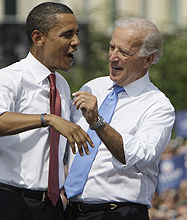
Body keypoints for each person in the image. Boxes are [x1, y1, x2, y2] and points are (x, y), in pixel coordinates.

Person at [0, 2, 94, 220]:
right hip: (10, 204)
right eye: (67, 34)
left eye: (76, 34)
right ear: (39, 38)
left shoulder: (62, 85)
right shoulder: (9, 78)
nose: (76, 42)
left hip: (51, 208)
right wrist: (47, 119)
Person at [64, 17, 175, 220]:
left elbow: (138, 158)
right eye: (112, 47)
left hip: (120, 212)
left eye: (124, 52)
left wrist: (98, 122)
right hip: (72, 211)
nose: (113, 57)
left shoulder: (158, 106)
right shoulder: (92, 87)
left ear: (148, 59)